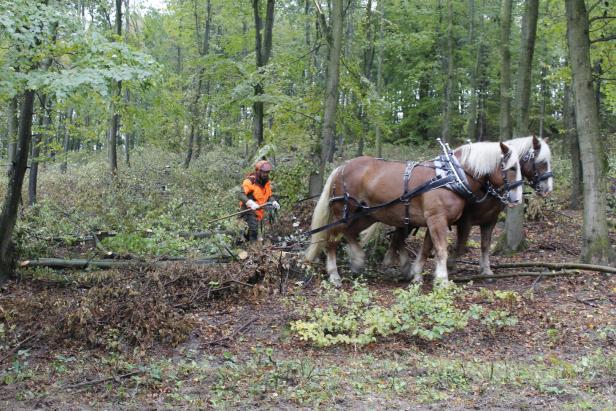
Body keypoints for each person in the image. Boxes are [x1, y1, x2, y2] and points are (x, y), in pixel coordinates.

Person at [238, 160, 280, 241]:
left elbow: (269, 196)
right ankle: (252, 248)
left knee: (250, 232)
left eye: (267, 172)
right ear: (258, 171)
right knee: (253, 230)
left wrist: (273, 201)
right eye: (264, 172)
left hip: (258, 211)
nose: (266, 174)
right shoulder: (250, 181)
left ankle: (246, 244)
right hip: (248, 210)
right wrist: (251, 203)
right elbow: (241, 195)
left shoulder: (266, 182)